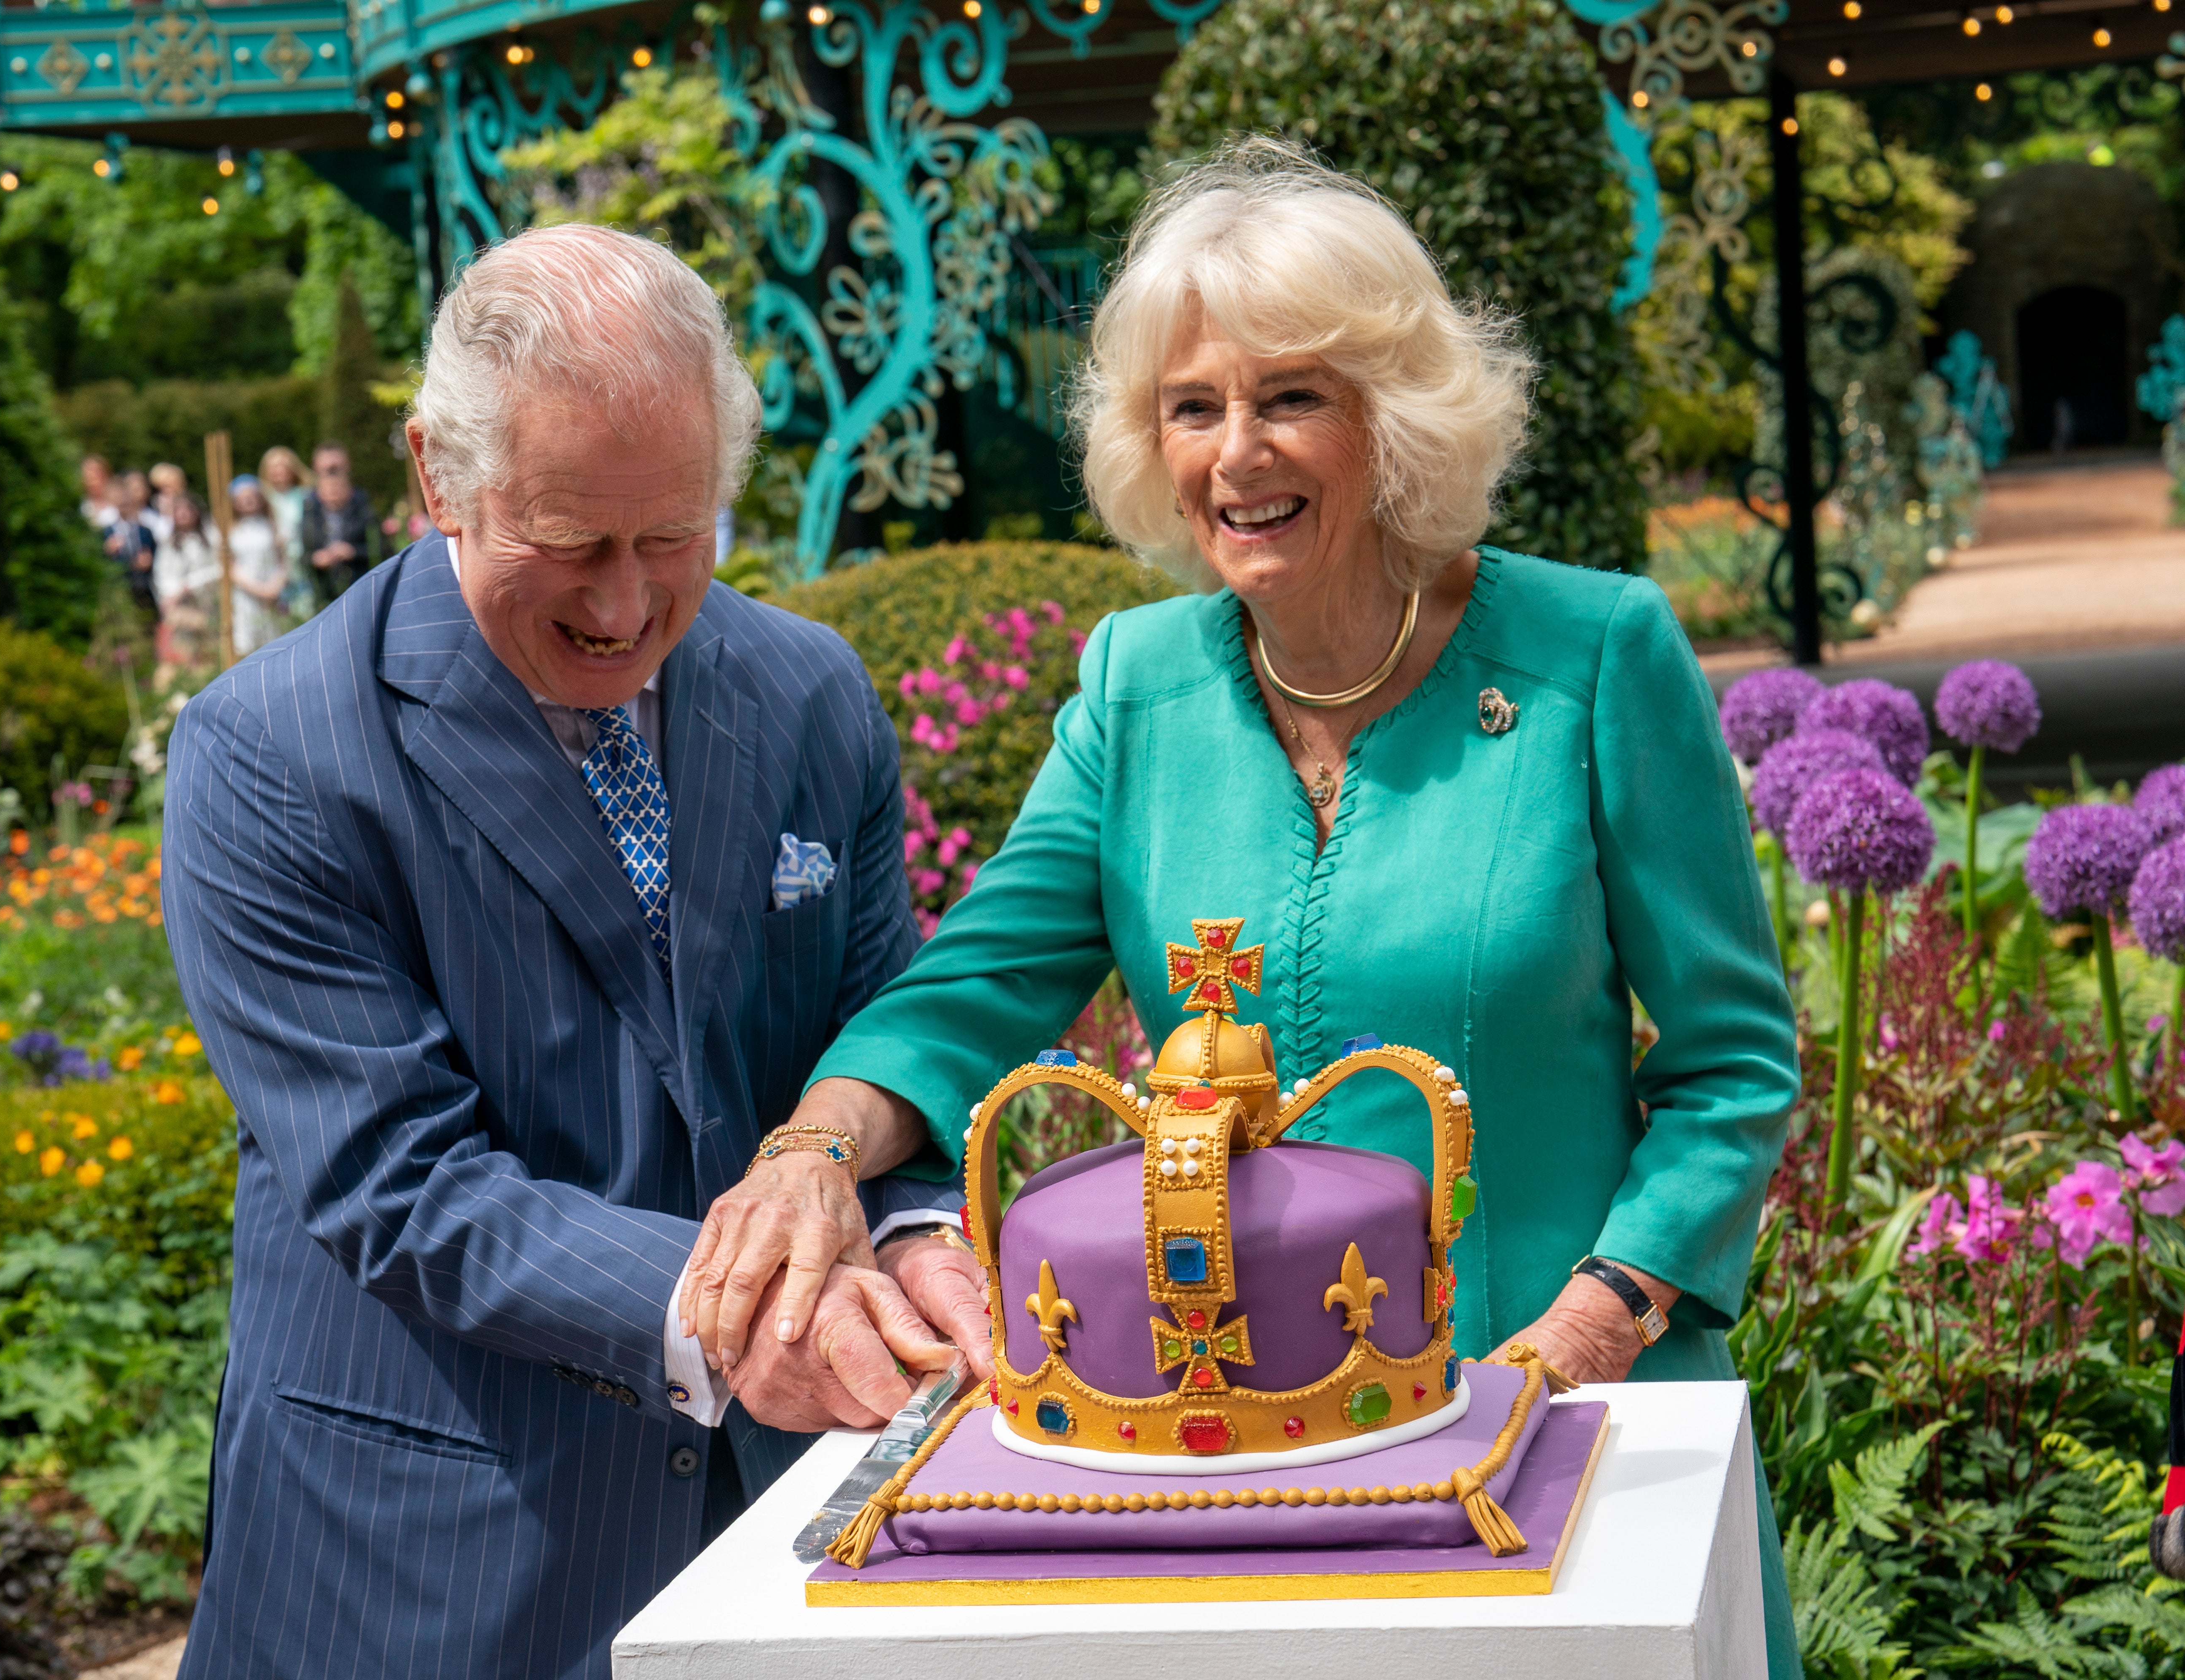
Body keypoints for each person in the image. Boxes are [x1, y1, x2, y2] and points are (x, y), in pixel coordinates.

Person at [688, 138, 1807, 1677]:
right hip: (1246, 1461)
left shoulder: (1594, 654)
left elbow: (1731, 1063)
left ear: (1393, 414)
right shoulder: (1135, 690)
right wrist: (812, 1151)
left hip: (1573, 1426)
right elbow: (972, 991)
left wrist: (1596, 1316)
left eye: (1292, 398)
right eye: (1192, 408)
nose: (1237, 455)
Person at [160, 222, 988, 1679]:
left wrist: (918, 1238)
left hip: (783, 1532)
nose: (621, 608)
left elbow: (880, 1038)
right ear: (436, 478)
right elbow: (400, 1187)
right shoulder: (271, 752)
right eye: (568, 544)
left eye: (671, 539)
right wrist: (741, 1311)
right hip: (429, 1562)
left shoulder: (809, 696)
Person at [299, 440, 383, 601]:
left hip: (361, 590)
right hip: (324, 596)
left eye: (336, 470)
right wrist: (317, 559)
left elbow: (383, 550)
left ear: (348, 467)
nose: (332, 475)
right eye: (327, 470)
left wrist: (353, 552)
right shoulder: (309, 509)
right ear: (316, 469)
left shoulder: (364, 507)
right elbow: (303, 557)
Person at [152, 491, 220, 668]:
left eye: (187, 510)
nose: (183, 515)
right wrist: (172, 594)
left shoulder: (212, 536)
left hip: (208, 603)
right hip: (181, 608)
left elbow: (220, 569)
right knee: (184, 655)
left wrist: (189, 586)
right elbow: (162, 573)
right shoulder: (169, 541)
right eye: (178, 511)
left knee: (209, 653)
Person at [222, 475, 287, 656]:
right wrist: (259, 590)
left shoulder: (273, 526)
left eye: (251, 497)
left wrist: (274, 588)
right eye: (242, 499)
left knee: (275, 644)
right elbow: (231, 568)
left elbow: (283, 561)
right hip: (246, 597)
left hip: (273, 596)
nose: (248, 502)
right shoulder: (232, 530)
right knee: (248, 647)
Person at [257, 445, 317, 621]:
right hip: (273, 565)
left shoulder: (306, 496)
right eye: (274, 468)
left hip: (302, 563)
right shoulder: (263, 498)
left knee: (305, 615)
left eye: (283, 467)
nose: (279, 472)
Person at [102, 473, 158, 621]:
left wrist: (149, 561)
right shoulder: (106, 532)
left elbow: (154, 556)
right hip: (118, 587)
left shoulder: (145, 531)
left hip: (143, 588)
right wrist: (107, 551)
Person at [144, 463, 186, 549]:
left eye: (169, 486)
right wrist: (167, 513)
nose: (166, 492)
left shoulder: (189, 504)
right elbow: (162, 538)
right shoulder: (151, 511)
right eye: (161, 488)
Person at [78, 454, 114, 528]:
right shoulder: (80, 505)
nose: (91, 483)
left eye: (95, 477)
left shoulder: (119, 504)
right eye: (88, 478)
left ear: (106, 476)